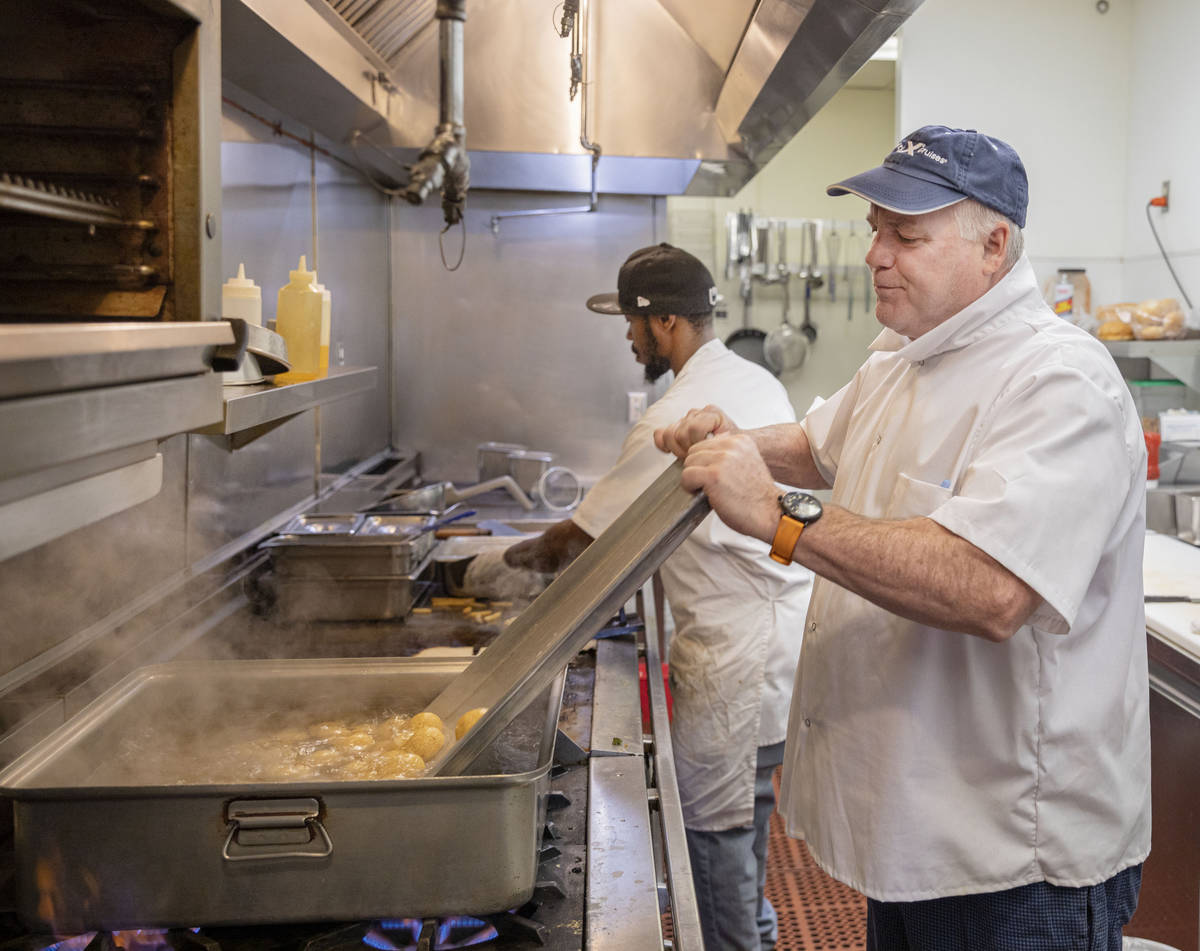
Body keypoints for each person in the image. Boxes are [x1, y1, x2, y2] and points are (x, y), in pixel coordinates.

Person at [653, 126, 1151, 951]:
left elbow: (989, 588)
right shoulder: (901, 354)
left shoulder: (1060, 381)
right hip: (914, 836)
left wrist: (777, 512)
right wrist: (733, 438)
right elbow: (819, 446)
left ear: (994, 245)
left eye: (907, 235)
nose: (877, 255)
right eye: (876, 229)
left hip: (1014, 865)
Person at [502, 243, 813, 951]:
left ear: (667, 322)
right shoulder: (755, 379)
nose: (627, 336)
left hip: (733, 662)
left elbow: (580, 546)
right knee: (746, 842)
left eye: (634, 322)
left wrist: (483, 572)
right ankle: (756, 934)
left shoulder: (673, 415)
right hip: (782, 645)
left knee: (716, 858)